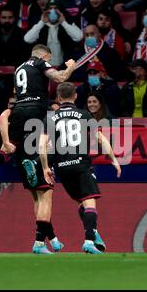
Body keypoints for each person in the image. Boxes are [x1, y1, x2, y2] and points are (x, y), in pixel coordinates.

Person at [0, 44, 77, 254]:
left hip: (19, 110)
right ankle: (34, 161)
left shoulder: (19, 68)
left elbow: (4, 116)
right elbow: (60, 77)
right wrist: (70, 67)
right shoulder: (40, 62)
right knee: (49, 142)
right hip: (37, 110)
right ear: (45, 55)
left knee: (10, 148)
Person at [39, 82, 121, 254]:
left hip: (61, 167)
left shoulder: (50, 117)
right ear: (76, 96)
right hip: (81, 164)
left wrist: (46, 167)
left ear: (59, 98)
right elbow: (100, 139)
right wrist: (113, 159)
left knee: (82, 202)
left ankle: (94, 232)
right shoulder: (84, 114)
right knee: (90, 201)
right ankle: (89, 240)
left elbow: (42, 145)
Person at [23, 0, 82, 67]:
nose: (53, 11)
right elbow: (27, 39)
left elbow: (79, 37)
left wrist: (63, 22)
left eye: (56, 8)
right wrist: (42, 22)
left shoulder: (67, 23)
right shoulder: (40, 25)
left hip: (64, 67)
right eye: (50, 8)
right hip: (45, 67)